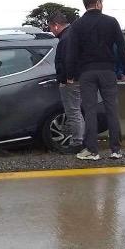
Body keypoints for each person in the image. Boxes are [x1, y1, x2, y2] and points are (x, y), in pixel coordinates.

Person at [66, 0, 125, 161]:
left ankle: (92, 151)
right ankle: (115, 150)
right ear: (99, 2)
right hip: (108, 71)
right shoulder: (111, 22)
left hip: (86, 73)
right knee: (112, 110)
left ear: (85, 4)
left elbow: (71, 52)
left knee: (90, 111)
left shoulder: (77, 25)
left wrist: (70, 74)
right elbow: (122, 48)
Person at [48, 12, 84, 154]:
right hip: (78, 78)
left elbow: (69, 58)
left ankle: (77, 142)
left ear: (56, 25)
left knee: (73, 111)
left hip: (71, 81)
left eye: (50, 27)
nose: (51, 31)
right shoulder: (73, 34)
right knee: (76, 111)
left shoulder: (66, 38)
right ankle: (80, 140)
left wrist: (68, 77)